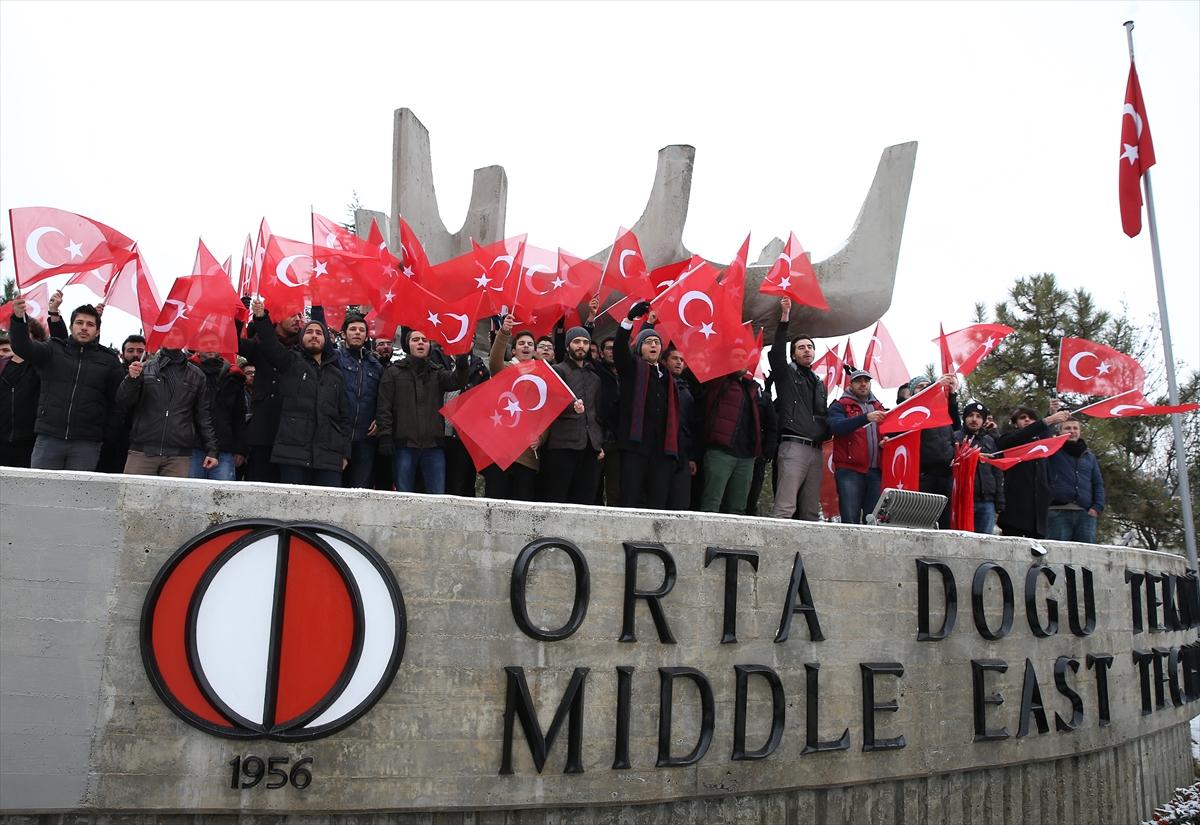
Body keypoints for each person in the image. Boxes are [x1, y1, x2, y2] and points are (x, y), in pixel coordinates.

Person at [7, 298, 123, 471]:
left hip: (87, 443)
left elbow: (118, 401)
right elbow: (23, 347)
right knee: (41, 492)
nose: (84, 327)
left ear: (97, 331)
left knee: (76, 496)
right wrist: (18, 319)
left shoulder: (110, 360)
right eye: (79, 322)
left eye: (90, 324)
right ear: (71, 327)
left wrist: (105, 433)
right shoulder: (53, 349)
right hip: (48, 438)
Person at [250, 299, 350, 486]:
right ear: (302, 338)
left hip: (328, 456)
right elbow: (271, 345)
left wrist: (345, 453)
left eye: (319, 333)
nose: (314, 336)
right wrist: (261, 317)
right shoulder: (290, 362)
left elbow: (344, 416)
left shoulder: (336, 374)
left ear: (325, 340)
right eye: (309, 332)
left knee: (327, 509)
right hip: (292, 453)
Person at [117, 325, 218, 478]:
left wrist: (211, 449)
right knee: (133, 500)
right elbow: (123, 401)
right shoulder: (144, 368)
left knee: (172, 502)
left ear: (184, 340)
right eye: (168, 333)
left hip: (178, 455)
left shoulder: (197, 375)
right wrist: (131, 379)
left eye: (177, 334)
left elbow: (203, 416)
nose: (172, 337)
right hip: (143, 450)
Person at [376, 329, 469, 494]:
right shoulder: (393, 372)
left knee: (437, 496)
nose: (421, 342)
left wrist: (462, 363)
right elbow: (384, 408)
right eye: (416, 339)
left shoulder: (437, 372)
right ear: (408, 345)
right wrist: (385, 437)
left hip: (433, 446)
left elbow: (456, 381)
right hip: (404, 445)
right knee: (404, 496)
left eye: (425, 340)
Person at [768, 297, 829, 520]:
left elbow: (824, 416)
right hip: (793, 446)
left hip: (816, 450)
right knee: (785, 508)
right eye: (801, 348)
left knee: (811, 512)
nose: (806, 350)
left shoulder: (819, 383)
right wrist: (784, 318)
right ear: (793, 354)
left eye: (810, 347)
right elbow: (776, 354)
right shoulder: (786, 375)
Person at [614, 303, 680, 509]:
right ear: (640, 348)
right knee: (630, 498)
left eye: (657, 342)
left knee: (657, 501)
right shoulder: (632, 369)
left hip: (662, 450)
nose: (653, 345)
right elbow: (619, 350)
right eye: (648, 342)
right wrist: (629, 320)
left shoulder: (668, 378)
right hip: (635, 446)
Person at [699, 363, 776, 515]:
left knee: (738, 508)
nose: (741, 362)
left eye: (744, 358)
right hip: (721, 452)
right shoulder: (718, 382)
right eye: (736, 358)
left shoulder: (753, 388)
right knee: (712, 502)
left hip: (746, 457)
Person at [239, 304, 304, 482]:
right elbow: (235, 342)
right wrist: (240, 314)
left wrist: (262, 321)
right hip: (263, 432)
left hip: (292, 435)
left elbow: (277, 353)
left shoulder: (303, 349)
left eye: (300, 315)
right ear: (277, 318)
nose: (298, 319)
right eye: (292, 314)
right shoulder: (259, 343)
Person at [542, 326, 604, 504]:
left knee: (585, 500)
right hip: (563, 445)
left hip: (590, 447)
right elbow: (548, 405)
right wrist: (570, 408)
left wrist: (598, 441)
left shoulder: (595, 377)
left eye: (585, 342)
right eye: (577, 342)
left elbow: (596, 414)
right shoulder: (557, 370)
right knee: (558, 497)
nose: (581, 346)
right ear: (568, 346)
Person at [484, 316, 542, 499]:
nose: (526, 346)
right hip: (500, 451)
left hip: (526, 455)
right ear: (514, 349)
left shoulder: (543, 377)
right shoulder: (505, 370)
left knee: (522, 504)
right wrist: (504, 333)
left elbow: (546, 412)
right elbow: (494, 362)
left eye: (530, 344)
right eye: (522, 343)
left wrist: (541, 438)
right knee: (496, 500)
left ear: (534, 350)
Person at [995, 403, 1072, 538]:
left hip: (1038, 517)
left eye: (1031, 418)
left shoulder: (1041, 444)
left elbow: (1044, 434)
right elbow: (1022, 435)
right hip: (1015, 514)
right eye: (1022, 418)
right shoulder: (1008, 440)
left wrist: (1051, 415)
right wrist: (1049, 419)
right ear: (1015, 424)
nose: (1027, 420)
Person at [331, 313, 384, 488]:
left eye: (361, 330)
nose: (357, 333)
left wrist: (380, 418)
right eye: (352, 329)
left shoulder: (375, 366)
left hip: (365, 439)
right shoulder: (335, 358)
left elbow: (384, 397)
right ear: (344, 334)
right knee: (333, 489)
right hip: (337, 435)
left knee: (360, 491)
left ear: (366, 336)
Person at [827, 367, 886, 524]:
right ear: (850, 385)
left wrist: (886, 441)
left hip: (875, 472)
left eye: (866, 381)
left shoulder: (879, 407)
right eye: (858, 381)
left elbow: (888, 431)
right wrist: (865, 418)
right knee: (850, 519)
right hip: (849, 472)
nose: (863, 384)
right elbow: (837, 427)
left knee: (873, 522)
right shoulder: (839, 405)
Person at [189, 333, 247, 481]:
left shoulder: (234, 376)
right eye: (205, 343)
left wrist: (240, 449)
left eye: (213, 342)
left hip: (224, 447)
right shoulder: (188, 372)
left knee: (222, 497)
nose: (209, 346)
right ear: (197, 347)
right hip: (192, 445)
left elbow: (239, 416)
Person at [906, 373, 962, 529]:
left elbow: (957, 427)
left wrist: (951, 394)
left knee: (944, 523)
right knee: (922, 520)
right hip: (923, 475)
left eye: (927, 385)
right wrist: (935, 386)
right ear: (912, 392)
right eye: (920, 387)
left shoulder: (941, 411)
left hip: (945, 474)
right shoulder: (911, 411)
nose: (925, 389)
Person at [1046, 418, 1105, 543]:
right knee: (1057, 555)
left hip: (1086, 515)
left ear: (1080, 431)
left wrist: (1097, 507)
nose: (1072, 431)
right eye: (1067, 428)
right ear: (1060, 431)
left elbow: (1098, 483)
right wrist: (1051, 416)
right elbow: (1045, 436)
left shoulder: (1089, 457)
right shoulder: (1053, 451)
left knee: (1085, 558)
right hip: (1057, 513)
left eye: (1075, 428)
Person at [0, 321, 47, 468]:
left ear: (36, 339)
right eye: (15, 333)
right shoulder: (2, 365)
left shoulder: (42, 366)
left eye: (24, 333)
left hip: (30, 441)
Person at [955, 401, 1005, 534]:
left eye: (978, 416)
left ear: (983, 421)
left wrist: (999, 500)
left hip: (987, 502)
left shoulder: (989, 441)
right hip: (963, 499)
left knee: (984, 543)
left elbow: (997, 470)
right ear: (964, 418)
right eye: (971, 415)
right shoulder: (956, 438)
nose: (974, 419)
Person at [664, 346, 698, 510]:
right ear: (664, 362)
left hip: (683, 454)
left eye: (682, 360)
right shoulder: (659, 384)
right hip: (661, 451)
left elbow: (690, 425)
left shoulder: (687, 391)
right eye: (674, 358)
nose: (678, 362)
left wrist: (691, 456)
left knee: (681, 504)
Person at [596, 334, 622, 505]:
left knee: (615, 489)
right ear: (601, 353)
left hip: (619, 439)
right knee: (594, 486)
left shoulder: (627, 373)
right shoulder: (596, 369)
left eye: (616, 348)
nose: (613, 352)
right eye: (609, 348)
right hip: (599, 438)